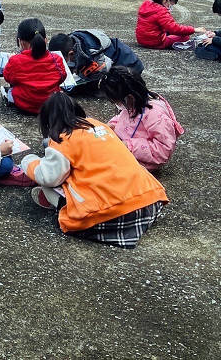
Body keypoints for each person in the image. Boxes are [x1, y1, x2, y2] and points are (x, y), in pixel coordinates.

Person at [22, 93, 168, 248]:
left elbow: (49, 177)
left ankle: (60, 203)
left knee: (51, 181)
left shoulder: (62, 140)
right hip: (148, 201)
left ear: (47, 121)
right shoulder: (99, 126)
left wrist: (29, 161)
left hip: (110, 215)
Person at [101, 66, 184, 171]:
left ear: (130, 97)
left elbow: (163, 150)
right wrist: (110, 126)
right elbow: (123, 117)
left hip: (142, 159)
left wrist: (129, 145)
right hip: (125, 144)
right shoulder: (135, 102)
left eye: (116, 102)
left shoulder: (155, 115)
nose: (116, 105)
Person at [2, 18, 66, 115]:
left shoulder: (15, 60)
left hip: (24, 106)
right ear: (46, 40)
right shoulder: (56, 59)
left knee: (11, 90)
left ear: (21, 42)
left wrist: (10, 60)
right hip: (51, 105)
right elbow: (62, 78)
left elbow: (8, 78)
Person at [47, 29, 144, 92]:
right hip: (113, 62)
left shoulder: (96, 57)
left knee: (96, 89)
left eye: (62, 59)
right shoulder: (72, 42)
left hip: (130, 67)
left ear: (71, 54)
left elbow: (97, 78)